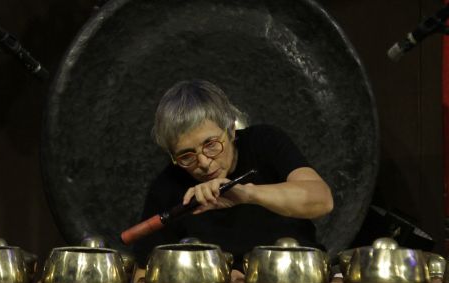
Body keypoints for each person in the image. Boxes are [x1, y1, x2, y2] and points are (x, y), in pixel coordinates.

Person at [133, 79, 334, 269]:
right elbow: (145, 271)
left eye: (210, 144)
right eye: (186, 155)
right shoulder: (168, 185)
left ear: (230, 129)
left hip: (297, 281)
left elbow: (322, 200)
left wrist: (247, 195)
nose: (203, 163)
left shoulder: (265, 143)